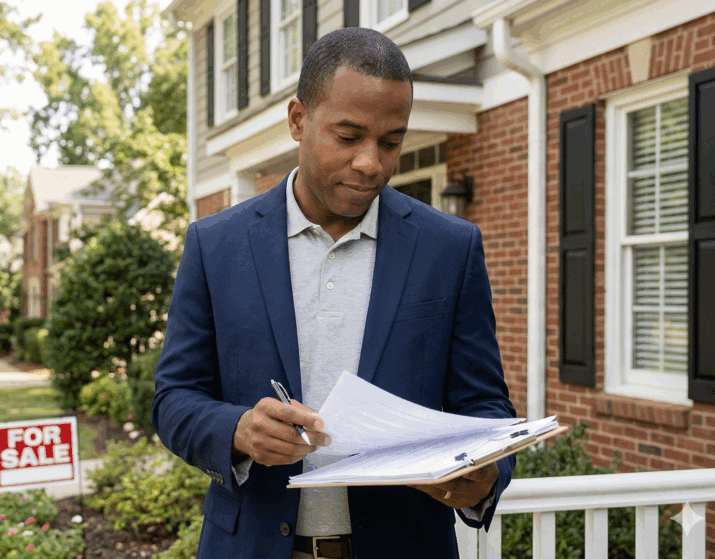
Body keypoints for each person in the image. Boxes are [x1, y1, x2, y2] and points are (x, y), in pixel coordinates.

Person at [151, 27, 516, 559]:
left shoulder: (450, 248)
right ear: (299, 120)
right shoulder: (215, 244)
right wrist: (239, 430)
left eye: (391, 142)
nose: (371, 162)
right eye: (348, 137)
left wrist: (485, 476)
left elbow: (485, 403)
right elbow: (174, 399)